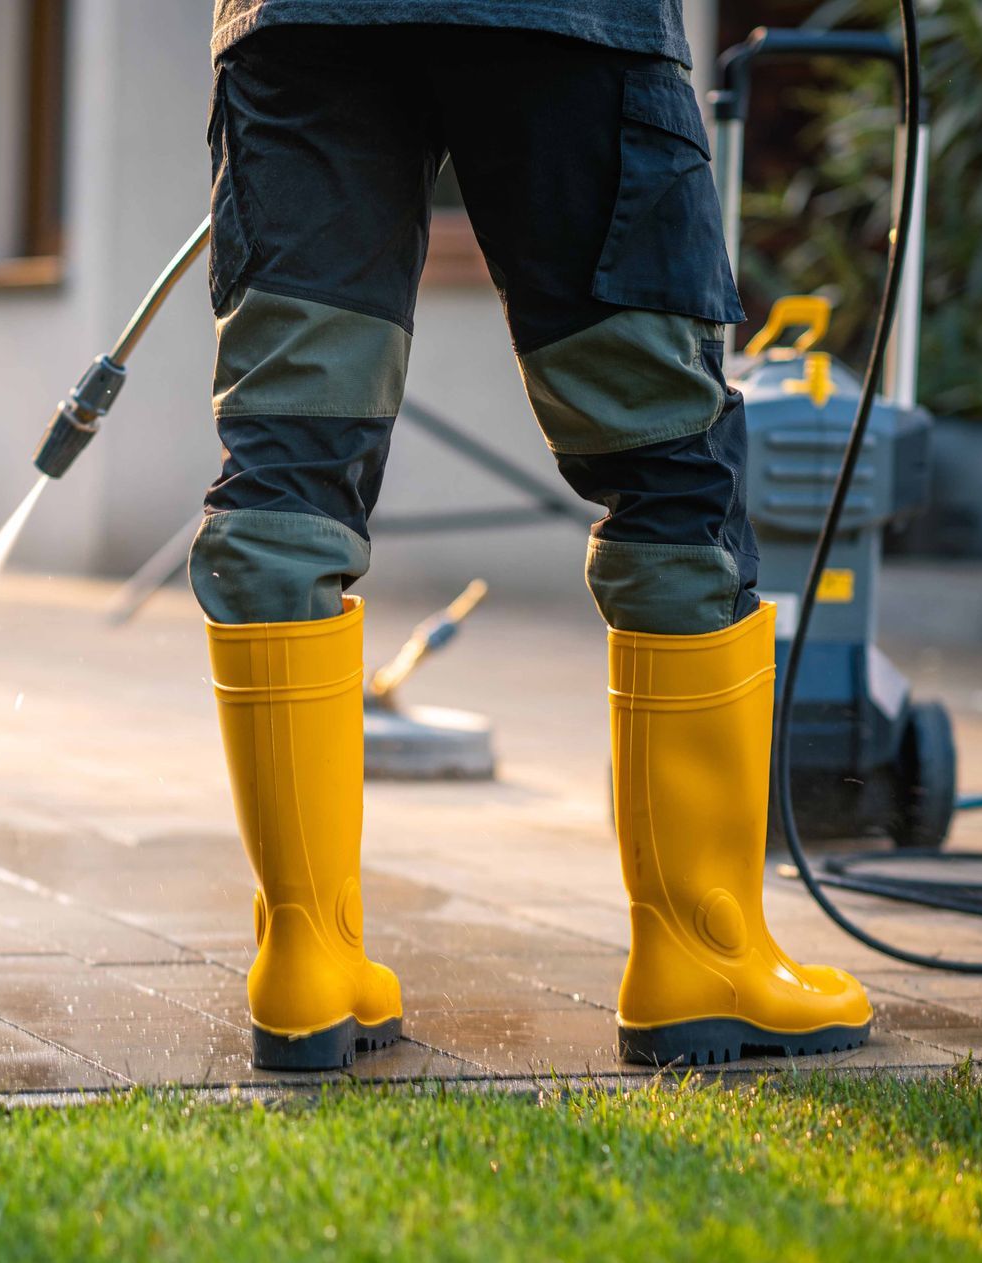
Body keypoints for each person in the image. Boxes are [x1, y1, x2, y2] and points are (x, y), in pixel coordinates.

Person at [194, 0, 874, 1070]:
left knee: (288, 472)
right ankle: (700, 957)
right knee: (663, 467)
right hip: (567, 22)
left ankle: (305, 962)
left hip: (302, 20)